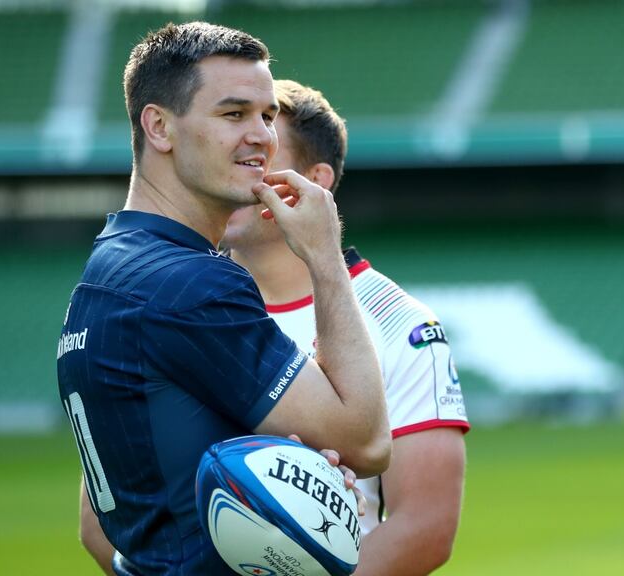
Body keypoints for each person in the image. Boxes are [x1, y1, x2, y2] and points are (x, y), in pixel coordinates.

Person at [60, 22, 390, 575]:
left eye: (267, 115)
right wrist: (325, 255)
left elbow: (104, 527)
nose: (262, 136)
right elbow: (366, 440)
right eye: (234, 114)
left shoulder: (111, 265)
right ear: (159, 126)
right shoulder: (189, 284)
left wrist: (300, 481)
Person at [220, 79, 470, 576]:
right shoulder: (173, 302)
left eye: (261, 157)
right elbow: (104, 518)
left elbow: (426, 524)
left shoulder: (401, 323)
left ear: (316, 181)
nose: (237, 174)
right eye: (230, 154)